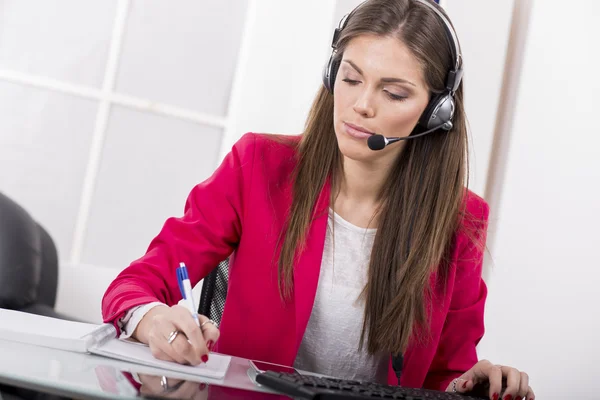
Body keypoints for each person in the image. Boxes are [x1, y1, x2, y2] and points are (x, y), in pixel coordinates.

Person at [102, 1, 534, 399]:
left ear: (436, 111)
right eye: (350, 78)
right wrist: (150, 319)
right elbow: (132, 286)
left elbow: (443, 376)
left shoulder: (461, 222)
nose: (361, 105)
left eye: (394, 93)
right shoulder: (257, 166)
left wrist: (475, 384)